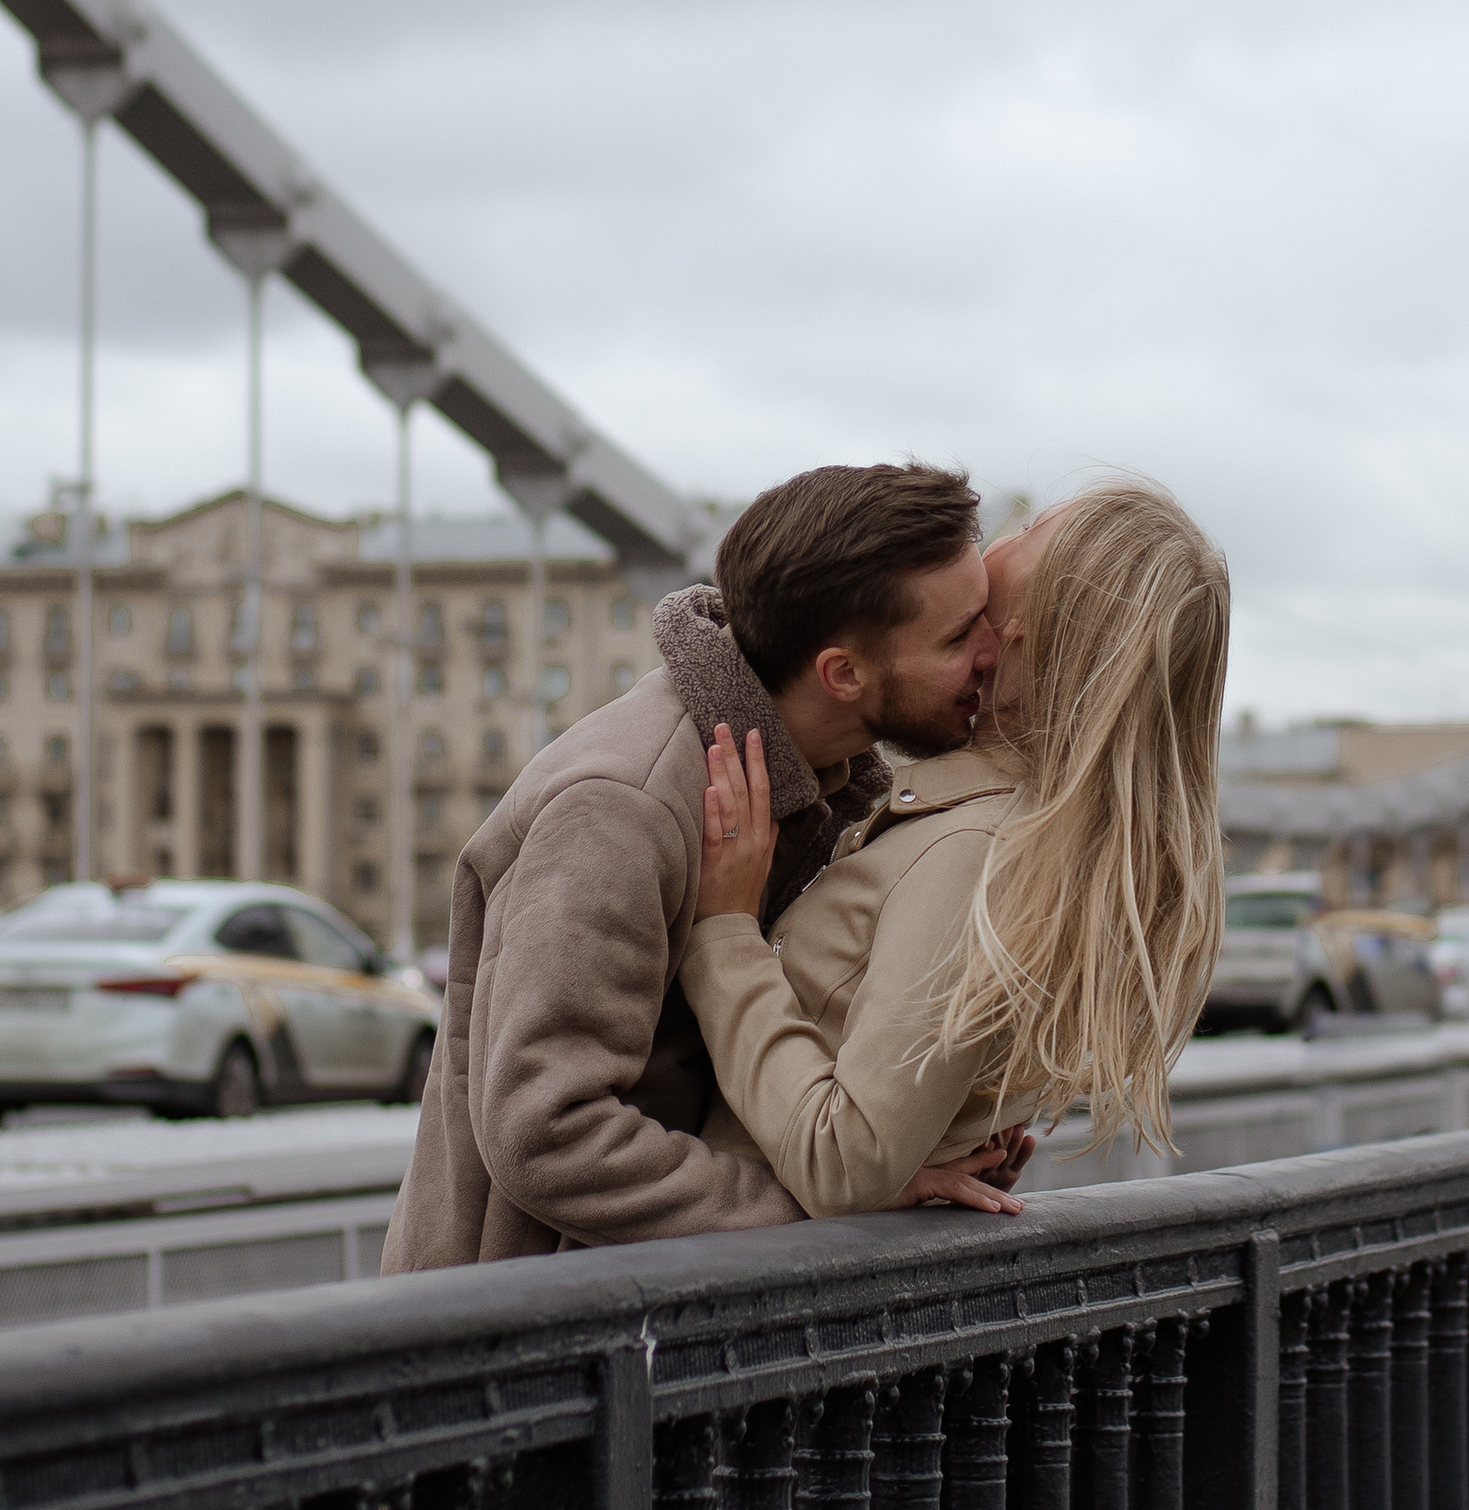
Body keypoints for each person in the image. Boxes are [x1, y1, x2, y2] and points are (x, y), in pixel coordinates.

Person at [378, 457, 1008, 1273]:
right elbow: (547, 1132)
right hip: (525, 1324)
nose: (994, 652)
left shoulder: (832, 787)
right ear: (843, 674)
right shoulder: (622, 808)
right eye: (960, 636)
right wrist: (825, 1206)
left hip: (645, 1309)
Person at [676, 480, 1230, 1216]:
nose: (1000, 535)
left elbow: (842, 1163)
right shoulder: (1025, 838)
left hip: (733, 1271)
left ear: (1028, 634)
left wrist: (724, 933)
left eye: (1029, 529)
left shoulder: (973, 854)